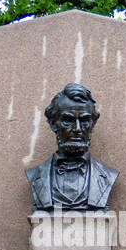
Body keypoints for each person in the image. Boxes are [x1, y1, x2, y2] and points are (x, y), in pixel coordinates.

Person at [25, 83, 119, 211]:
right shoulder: (36, 175)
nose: (77, 129)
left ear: (92, 124)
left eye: (84, 120)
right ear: (53, 123)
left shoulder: (107, 176)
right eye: (68, 120)